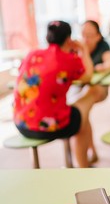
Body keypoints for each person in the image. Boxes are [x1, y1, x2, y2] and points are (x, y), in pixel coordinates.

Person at [13, 20, 103, 167]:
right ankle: (84, 168)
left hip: (21, 124)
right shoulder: (67, 59)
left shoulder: (32, 54)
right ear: (69, 39)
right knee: (91, 93)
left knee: (80, 115)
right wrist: (83, 50)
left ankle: (84, 163)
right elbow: (88, 75)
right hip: (51, 127)